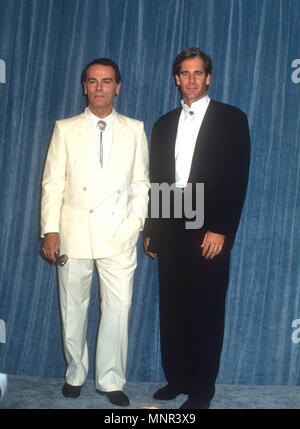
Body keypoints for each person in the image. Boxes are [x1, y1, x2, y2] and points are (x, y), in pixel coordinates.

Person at [143, 47, 250, 409]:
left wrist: (221, 228)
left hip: (210, 223)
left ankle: (202, 387)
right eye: (184, 74)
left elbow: (237, 178)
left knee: (205, 307)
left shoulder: (231, 119)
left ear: (209, 77)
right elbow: (158, 179)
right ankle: (178, 378)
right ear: (176, 79)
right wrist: (153, 228)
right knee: (174, 306)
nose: (191, 80)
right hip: (172, 217)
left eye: (198, 73)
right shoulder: (162, 124)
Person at [41, 58, 149, 407]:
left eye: (106, 81)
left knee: (119, 308)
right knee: (73, 307)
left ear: (118, 86)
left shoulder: (135, 128)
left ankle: (110, 379)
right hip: (74, 233)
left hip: (120, 234)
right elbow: (53, 183)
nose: (99, 87)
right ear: (84, 86)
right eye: (92, 81)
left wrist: (135, 225)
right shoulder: (65, 128)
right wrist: (50, 230)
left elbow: (142, 184)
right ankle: (75, 371)